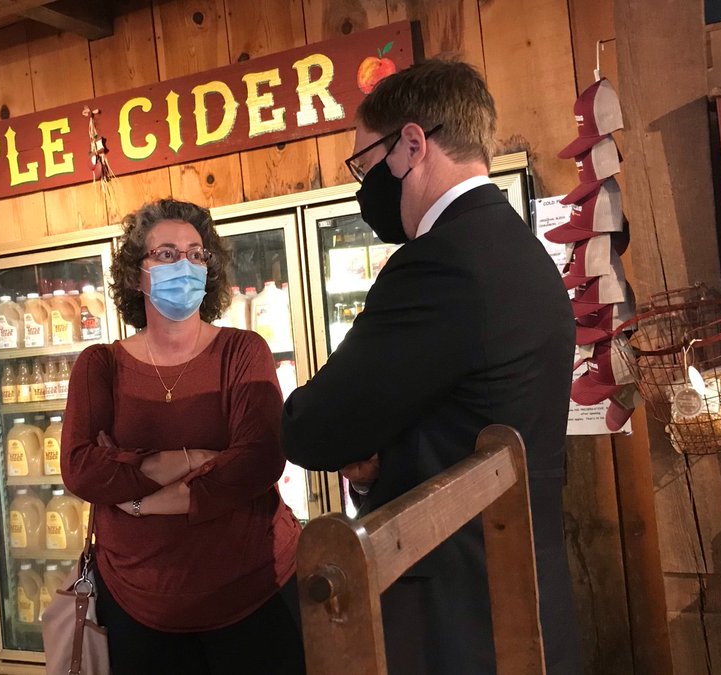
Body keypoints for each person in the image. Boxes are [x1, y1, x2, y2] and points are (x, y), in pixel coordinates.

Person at [282, 58, 582, 674]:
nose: (363, 187)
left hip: (460, 618)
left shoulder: (441, 262)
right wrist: (375, 462)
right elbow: (460, 422)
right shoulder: (514, 246)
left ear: (412, 144)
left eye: (365, 165)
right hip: (522, 598)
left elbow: (315, 428)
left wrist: (350, 445)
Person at [61, 198, 305, 675]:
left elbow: (258, 460)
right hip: (137, 604)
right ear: (137, 274)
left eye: (197, 254)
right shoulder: (101, 365)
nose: (186, 266)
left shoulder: (242, 351)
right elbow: (81, 466)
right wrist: (192, 459)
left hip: (254, 592)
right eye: (167, 254)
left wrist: (138, 497)